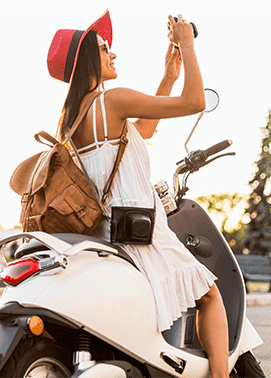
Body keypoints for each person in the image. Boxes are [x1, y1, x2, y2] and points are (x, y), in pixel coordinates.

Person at [47, 10, 230, 378]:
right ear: (86, 62)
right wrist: (187, 43)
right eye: (103, 49)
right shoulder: (113, 100)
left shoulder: (73, 117)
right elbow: (195, 102)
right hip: (141, 234)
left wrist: (168, 76)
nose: (112, 53)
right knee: (210, 296)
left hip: (106, 235)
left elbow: (141, 131)